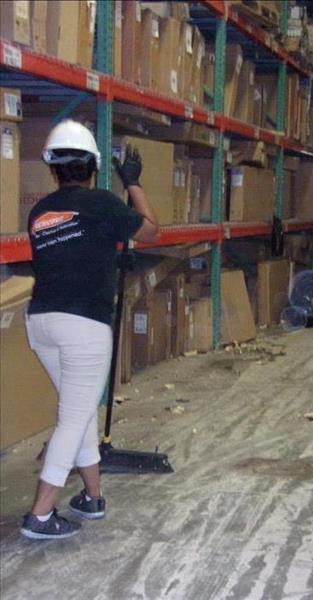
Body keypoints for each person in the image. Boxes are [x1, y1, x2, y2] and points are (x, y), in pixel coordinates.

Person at [20, 120, 159, 540]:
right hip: (83, 325)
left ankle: (92, 497)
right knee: (74, 416)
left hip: (41, 322)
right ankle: (41, 515)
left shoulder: (40, 212)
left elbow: (76, 250)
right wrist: (132, 184)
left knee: (79, 413)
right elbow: (150, 231)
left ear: (53, 169)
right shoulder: (101, 203)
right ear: (93, 168)